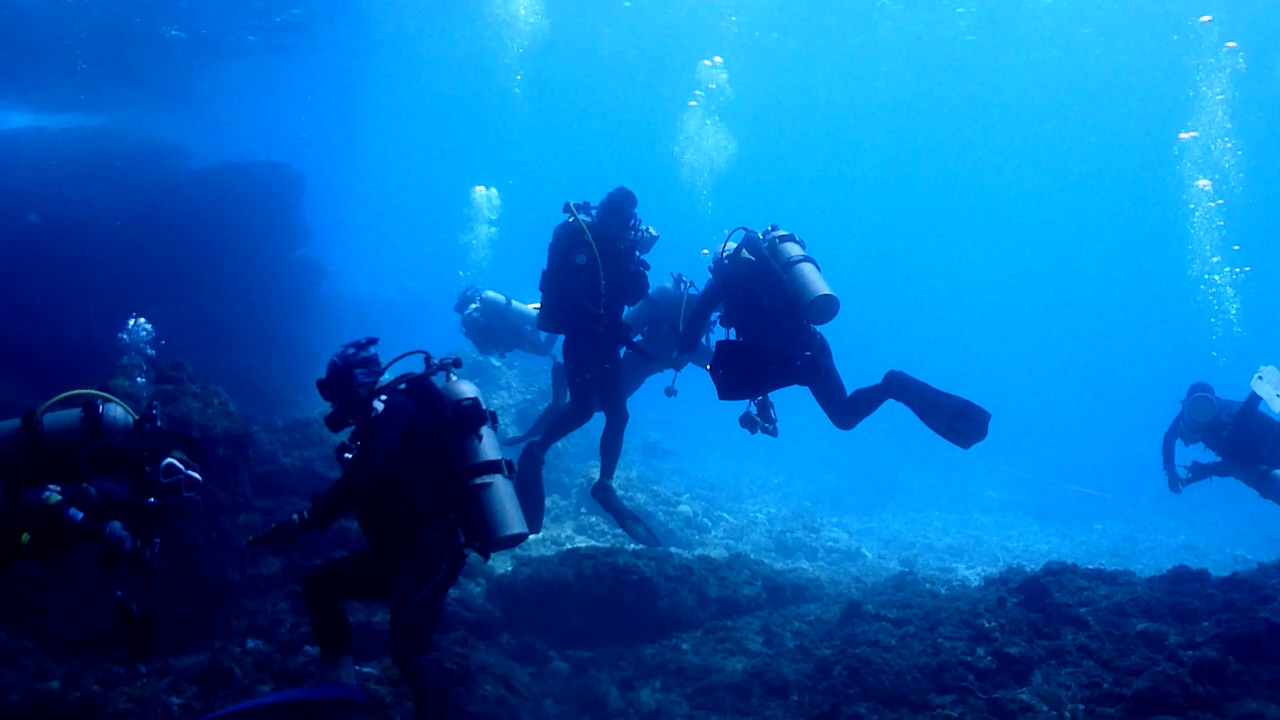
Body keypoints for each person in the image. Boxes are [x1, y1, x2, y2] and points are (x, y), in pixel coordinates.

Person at [248, 337, 528, 720]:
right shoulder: (385, 418)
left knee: (408, 649)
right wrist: (317, 512)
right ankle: (342, 688)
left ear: (359, 384)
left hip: (430, 550)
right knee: (319, 584)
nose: (334, 406)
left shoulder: (393, 409)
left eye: (338, 394)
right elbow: (376, 481)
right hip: (398, 551)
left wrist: (309, 520)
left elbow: (371, 471)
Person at [678, 225, 991, 449]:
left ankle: (893, 385)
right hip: (811, 348)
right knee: (844, 417)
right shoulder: (762, 273)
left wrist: (682, 351)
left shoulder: (726, 280)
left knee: (723, 370)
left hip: (802, 361)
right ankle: (893, 385)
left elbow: (695, 323)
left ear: (721, 263)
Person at [0, 391, 204, 660]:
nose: (173, 487)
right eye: (170, 472)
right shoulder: (113, 488)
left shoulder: (146, 514)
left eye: (187, 485)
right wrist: (100, 532)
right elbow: (42, 498)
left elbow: (129, 564)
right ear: (155, 464)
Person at [515, 187, 657, 547]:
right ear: (606, 215)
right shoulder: (581, 240)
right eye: (621, 219)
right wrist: (601, 321)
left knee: (618, 414)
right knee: (580, 409)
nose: (625, 227)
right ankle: (535, 451)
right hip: (581, 338)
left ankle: (604, 485)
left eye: (628, 222)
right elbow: (573, 291)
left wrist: (638, 258)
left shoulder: (621, 246)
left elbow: (632, 295)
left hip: (607, 341)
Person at [503, 273, 714, 447]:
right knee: (594, 407)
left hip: (633, 358)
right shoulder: (686, 308)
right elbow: (680, 344)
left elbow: (691, 350)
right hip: (636, 363)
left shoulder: (697, 313)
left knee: (593, 405)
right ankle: (535, 442)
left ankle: (561, 384)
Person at [1161, 380, 1280, 504]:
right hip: (1262, 450)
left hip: (1264, 452)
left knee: (1248, 471)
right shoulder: (1216, 411)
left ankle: (1256, 394)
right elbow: (1170, 437)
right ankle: (1256, 394)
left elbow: (1234, 464)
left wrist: (1204, 470)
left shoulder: (1213, 421)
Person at [453, 285, 558, 359]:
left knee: (543, 344)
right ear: (465, 318)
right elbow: (484, 350)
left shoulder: (490, 308)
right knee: (544, 351)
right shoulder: (471, 330)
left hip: (517, 328)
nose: (476, 316)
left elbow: (513, 315)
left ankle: (556, 322)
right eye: (470, 315)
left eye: (476, 310)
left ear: (479, 305)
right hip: (514, 340)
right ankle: (556, 323)